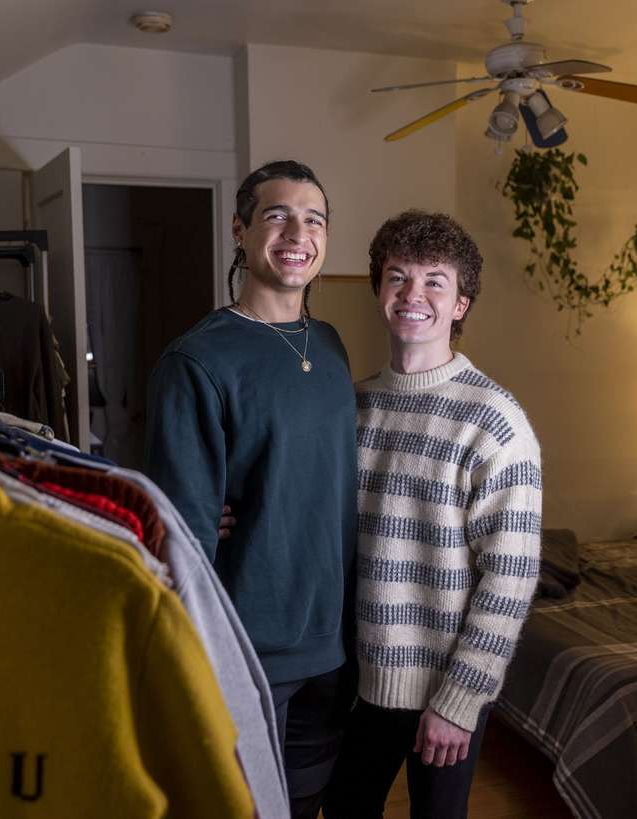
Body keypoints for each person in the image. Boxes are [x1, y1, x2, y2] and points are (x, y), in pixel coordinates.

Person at [144, 160, 357, 819]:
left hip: (335, 644)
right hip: (250, 653)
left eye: (313, 218)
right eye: (276, 215)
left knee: (306, 802)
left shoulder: (330, 343)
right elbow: (183, 536)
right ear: (239, 230)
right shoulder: (197, 359)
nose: (298, 231)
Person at [322, 210, 543, 819]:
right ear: (378, 292)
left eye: (434, 281)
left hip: (441, 696)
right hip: (356, 682)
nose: (412, 295)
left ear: (461, 304)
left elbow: (510, 577)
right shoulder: (355, 405)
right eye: (397, 277)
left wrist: (459, 701)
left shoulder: (495, 422)